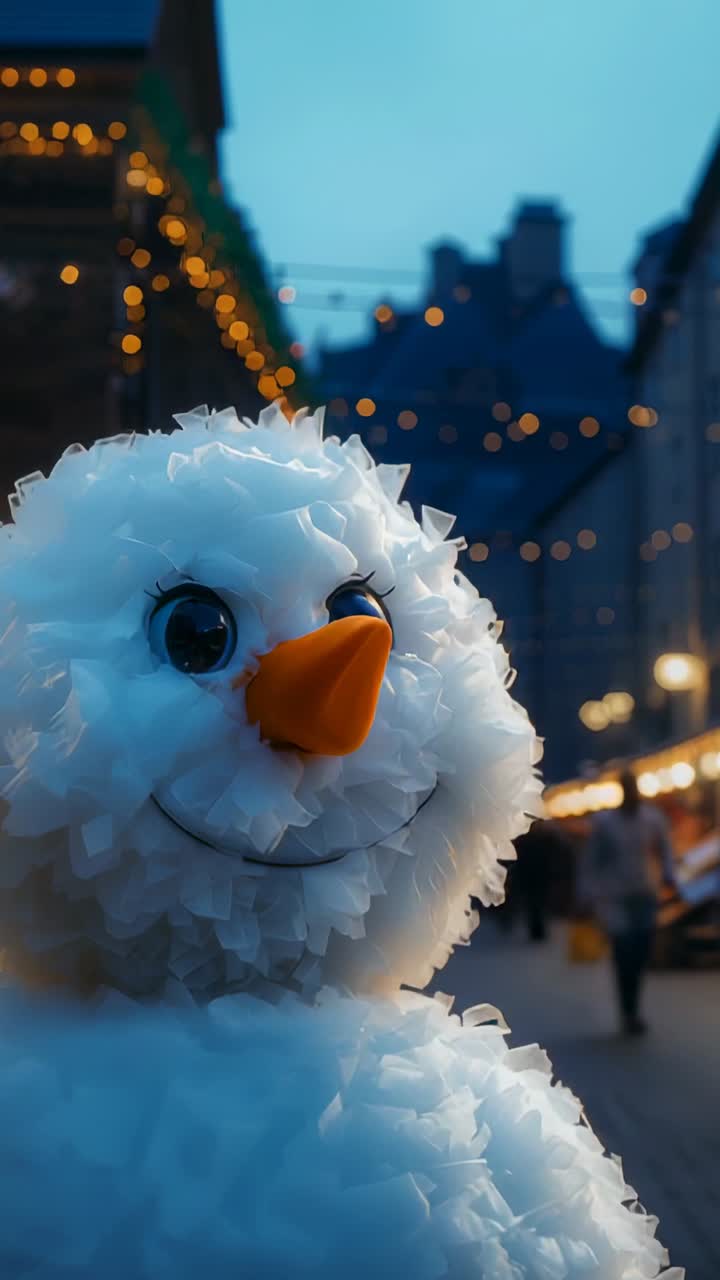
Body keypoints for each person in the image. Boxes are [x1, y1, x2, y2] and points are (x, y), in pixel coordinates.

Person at [579, 770, 676, 1035]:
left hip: (646, 892)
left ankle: (633, 1003)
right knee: (623, 952)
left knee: (642, 949)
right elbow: (591, 860)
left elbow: (665, 849)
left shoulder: (653, 818)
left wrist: (669, 876)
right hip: (616, 896)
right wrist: (586, 893)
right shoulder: (606, 823)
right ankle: (629, 1011)